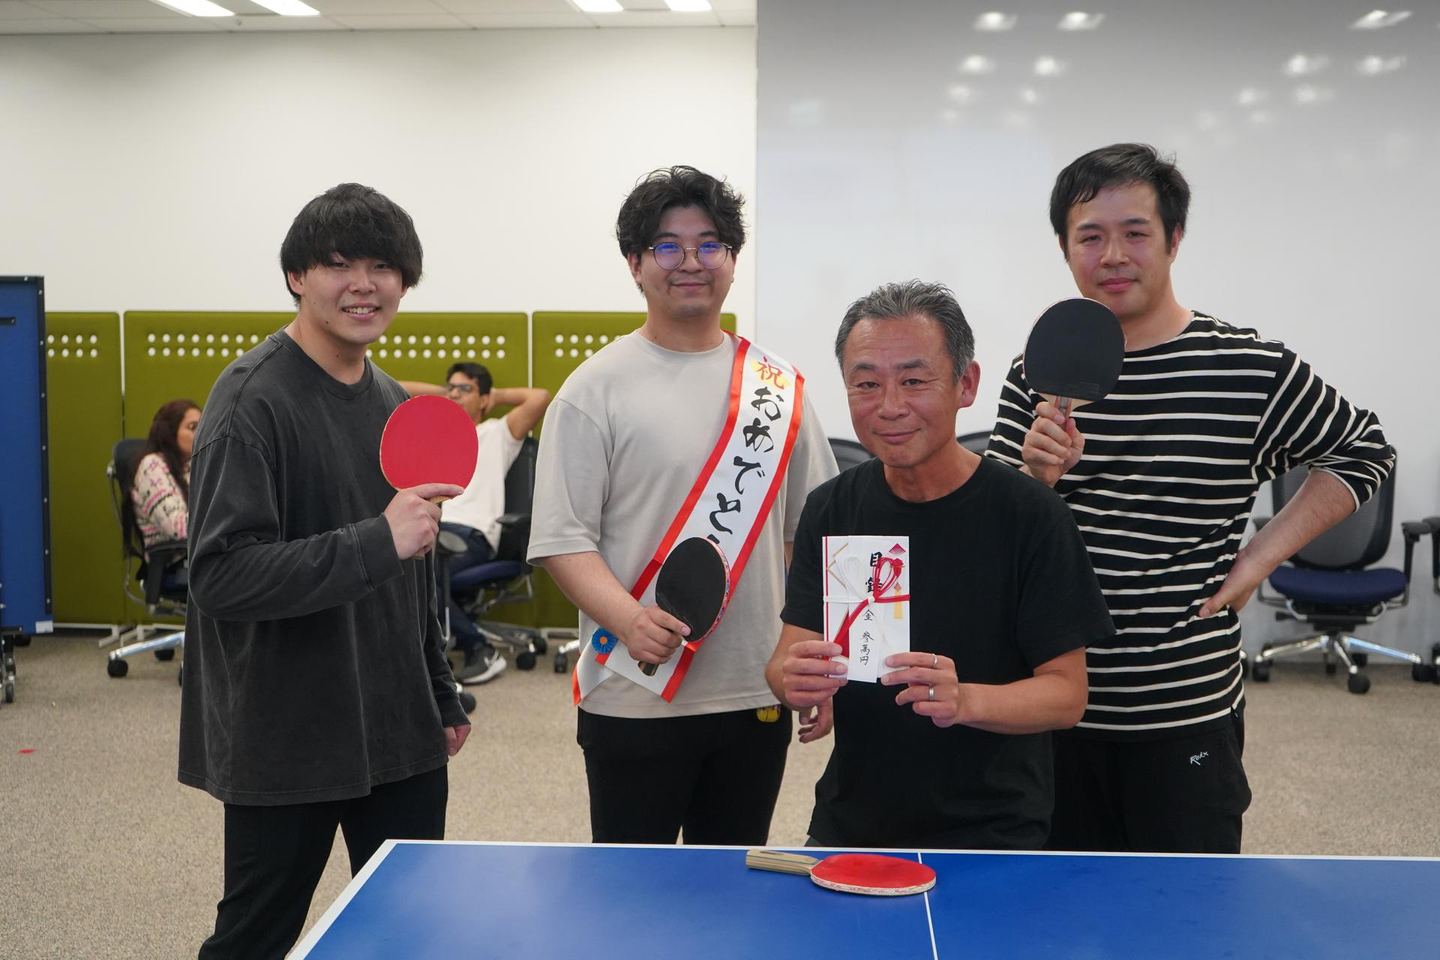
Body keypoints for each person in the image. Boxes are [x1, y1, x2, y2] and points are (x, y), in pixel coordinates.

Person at [988, 143, 1395, 854]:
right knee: (1059, 910)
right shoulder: (1036, 372)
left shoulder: (1248, 368)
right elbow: (991, 536)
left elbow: (1365, 450)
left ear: (1174, 239)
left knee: (1187, 910)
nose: (1114, 255)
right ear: (1065, 248)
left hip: (1185, 715)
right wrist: (1034, 479)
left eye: (1136, 232)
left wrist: (1258, 559)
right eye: (1090, 236)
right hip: (1055, 710)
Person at [179, 182, 470, 960]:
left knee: (411, 934)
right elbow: (220, 576)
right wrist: (376, 540)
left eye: (383, 267)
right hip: (288, 735)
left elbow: (409, 571)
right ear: (296, 276)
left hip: (398, 727)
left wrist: (439, 690)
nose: (364, 285)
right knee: (255, 939)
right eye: (339, 264)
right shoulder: (250, 401)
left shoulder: (391, 401)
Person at [527, 165, 838, 845]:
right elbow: (562, 539)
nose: (691, 262)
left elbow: (808, 541)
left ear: (733, 259)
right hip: (634, 692)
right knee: (630, 891)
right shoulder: (593, 389)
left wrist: (814, 658)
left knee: (730, 890)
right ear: (635, 264)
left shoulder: (779, 389)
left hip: (754, 690)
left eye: (709, 245)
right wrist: (630, 619)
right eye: (667, 246)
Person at [766, 280, 1111, 849]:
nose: (890, 406)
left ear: (965, 384)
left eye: (914, 380)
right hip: (853, 821)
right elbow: (784, 660)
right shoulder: (831, 508)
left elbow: (1067, 695)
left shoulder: (1031, 514)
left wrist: (966, 700)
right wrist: (794, 680)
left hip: (993, 828)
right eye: (866, 384)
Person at [400, 365, 551, 684]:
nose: (455, 393)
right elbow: (393, 388)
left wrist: (493, 396)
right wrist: (446, 395)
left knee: (420, 576)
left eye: (464, 388)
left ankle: (480, 649)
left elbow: (539, 397)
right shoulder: (440, 438)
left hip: (472, 535)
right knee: (400, 568)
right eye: (451, 387)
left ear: (483, 399)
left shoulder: (498, 433)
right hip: (436, 529)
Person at [128, 398, 201, 557]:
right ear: (170, 433)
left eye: (202, 427)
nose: (201, 433)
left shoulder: (193, 466)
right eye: (192, 427)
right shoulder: (152, 467)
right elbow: (178, 528)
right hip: (174, 562)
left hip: (199, 557)